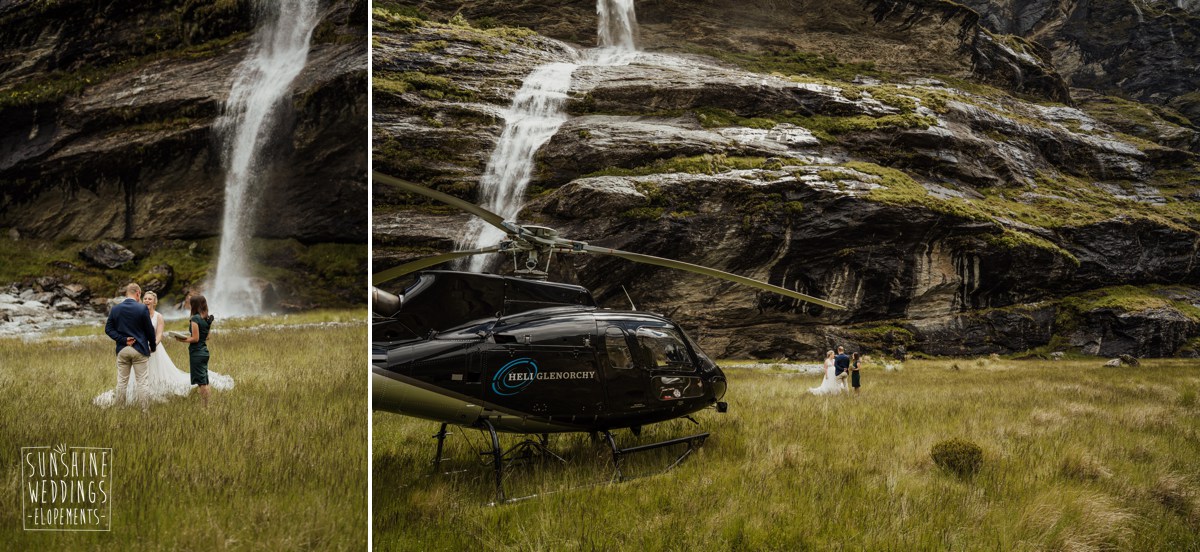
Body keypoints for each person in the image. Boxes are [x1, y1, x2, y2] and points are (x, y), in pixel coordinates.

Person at [100, 283, 157, 412]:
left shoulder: (115, 309)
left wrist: (123, 340)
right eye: (140, 295)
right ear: (138, 293)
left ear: (127, 293)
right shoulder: (142, 309)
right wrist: (152, 347)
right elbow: (149, 331)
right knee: (142, 382)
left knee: (122, 382)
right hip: (140, 349)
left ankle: (120, 409)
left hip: (122, 350)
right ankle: (144, 411)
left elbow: (108, 329)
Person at [174, 294, 222, 407]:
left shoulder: (195, 318)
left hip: (197, 353)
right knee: (204, 381)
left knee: (202, 383)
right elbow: (207, 337)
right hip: (204, 351)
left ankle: (206, 406)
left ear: (194, 305)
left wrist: (181, 339)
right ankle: (206, 404)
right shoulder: (206, 319)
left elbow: (195, 338)